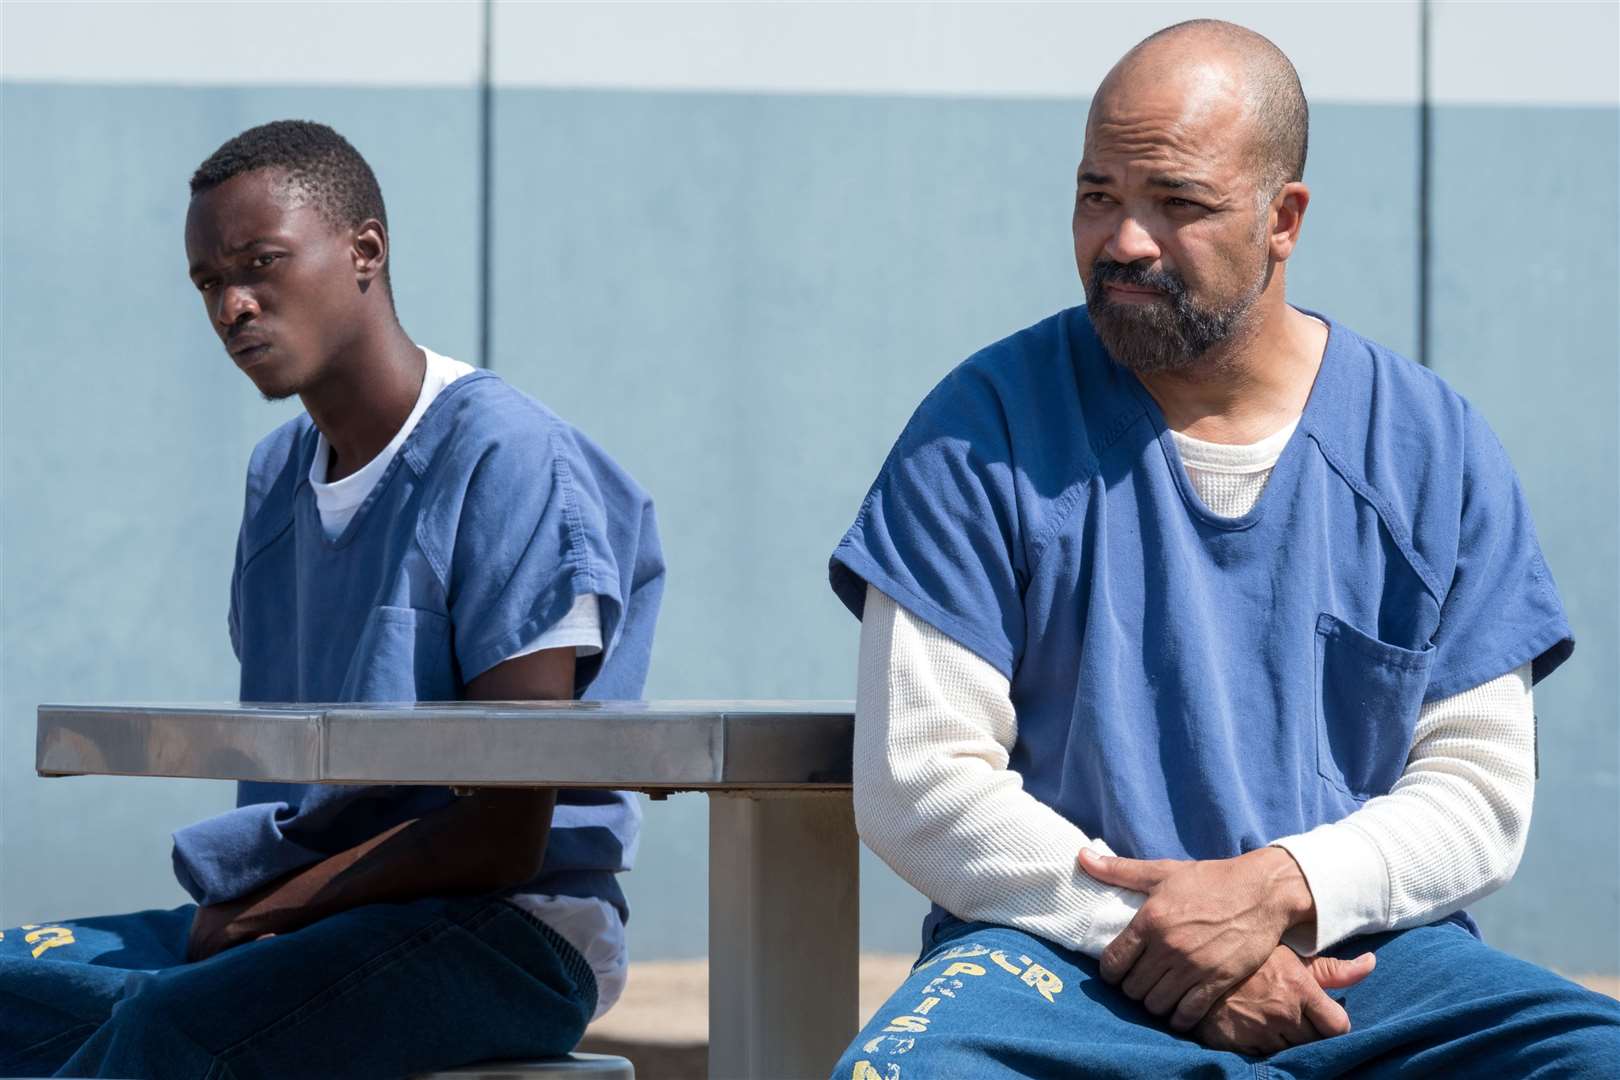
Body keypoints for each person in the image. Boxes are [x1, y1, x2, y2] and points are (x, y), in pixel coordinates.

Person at [828, 19, 1620, 1078]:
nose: (1125, 241)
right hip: (1055, 960)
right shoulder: (983, 429)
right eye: (1098, 194)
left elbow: (1478, 795)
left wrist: (1285, 886)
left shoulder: (1431, 449)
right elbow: (918, 782)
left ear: (1281, 217)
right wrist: (1167, 941)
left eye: (1179, 204)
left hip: (1367, 967)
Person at [0, 120, 664, 1079]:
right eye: (206, 283)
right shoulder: (279, 478)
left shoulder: (507, 460)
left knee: (169, 1033)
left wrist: (263, 917)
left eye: (262, 263)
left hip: (507, 933)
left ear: (364, 252)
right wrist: (262, 919)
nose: (232, 304)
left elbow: (506, 829)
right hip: (307, 908)